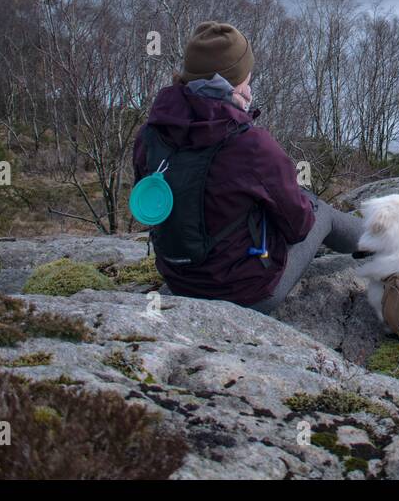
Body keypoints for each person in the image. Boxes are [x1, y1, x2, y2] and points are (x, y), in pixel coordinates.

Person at [132, 21, 363, 312]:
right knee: (320, 212)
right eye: (246, 74)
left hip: (179, 281)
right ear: (235, 82)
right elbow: (299, 227)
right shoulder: (250, 144)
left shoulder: (150, 134)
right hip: (246, 295)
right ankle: (385, 240)